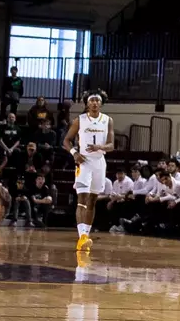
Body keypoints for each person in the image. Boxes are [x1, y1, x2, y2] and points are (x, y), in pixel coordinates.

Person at [62, 90, 114, 252]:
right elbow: (66, 140)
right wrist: (74, 153)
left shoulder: (108, 120)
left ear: (101, 103)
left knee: (92, 201)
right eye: (91, 100)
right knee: (82, 199)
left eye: (97, 100)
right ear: (86, 103)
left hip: (99, 162)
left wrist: (100, 147)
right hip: (83, 162)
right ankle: (82, 237)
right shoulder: (80, 120)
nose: (94, 103)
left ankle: (86, 235)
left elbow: (111, 145)